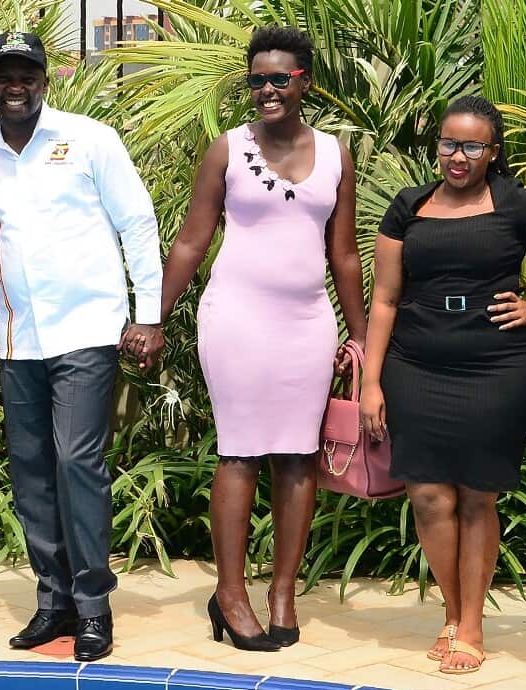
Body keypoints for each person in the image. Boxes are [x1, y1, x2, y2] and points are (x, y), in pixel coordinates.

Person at [141, 26, 367, 652]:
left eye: (278, 79)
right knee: (239, 451)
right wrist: (153, 315)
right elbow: (191, 240)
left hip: (308, 323)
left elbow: (344, 255)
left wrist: (363, 335)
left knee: (297, 455)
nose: (265, 90)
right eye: (255, 79)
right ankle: (232, 593)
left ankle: (283, 592)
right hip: (236, 317)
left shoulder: (336, 154)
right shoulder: (226, 149)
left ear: (305, 82)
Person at [0, 31, 163, 662]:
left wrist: (147, 314)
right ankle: (54, 603)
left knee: (77, 462)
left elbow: (137, 221)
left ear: (45, 78)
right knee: (32, 475)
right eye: (4, 74)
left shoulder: (90, 139)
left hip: (87, 330)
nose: (15, 85)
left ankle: (94, 607)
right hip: (20, 339)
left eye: (27, 74)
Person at [359, 96, 526, 674]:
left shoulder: (517, 204)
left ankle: (469, 623)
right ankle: (454, 612)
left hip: (496, 367)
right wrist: (371, 383)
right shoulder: (408, 207)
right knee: (427, 495)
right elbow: (386, 299)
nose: (458, 155)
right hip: (415, 365)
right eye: (448, 142)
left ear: (493, 152)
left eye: (472, 145)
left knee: (477, 495)